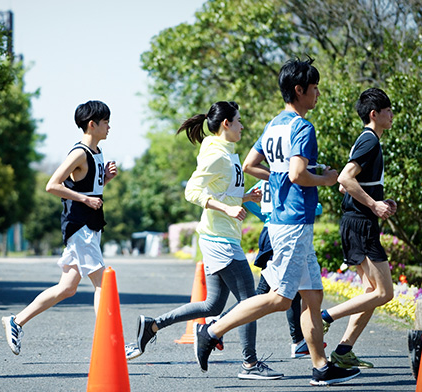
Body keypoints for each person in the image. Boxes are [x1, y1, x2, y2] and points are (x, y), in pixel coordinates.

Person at [194, 57, 361, 386]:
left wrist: (279, 178)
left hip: (285, 221)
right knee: (280, 299)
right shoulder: (302, 127)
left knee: (313, 296)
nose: (317, 94)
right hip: (294, 221)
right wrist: (326, 178)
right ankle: (211, 330)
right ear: (299, 90)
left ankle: (321, 367)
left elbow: (251, 163)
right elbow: (299, 174)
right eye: (314, 89)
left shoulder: (274, 125)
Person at [126, 101, 283, 380]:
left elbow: (221, 191)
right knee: (251, 300)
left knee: (212, 306)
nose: (242, 126)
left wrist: (245, 198)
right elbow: (192, 191)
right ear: (226, 124)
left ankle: (152, 326)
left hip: (221, 236)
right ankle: (249, 363)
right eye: (238, 121)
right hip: (219, 239)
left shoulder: (228, 153)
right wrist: (228, 209)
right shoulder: (216, 155)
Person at [2, 100, 117, 355]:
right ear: (92, 124)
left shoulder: (97, 153)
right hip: (80, 226)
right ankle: (107, 343)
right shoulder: (78, 152)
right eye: (106, 121)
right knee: (102, 283)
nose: (109, 126)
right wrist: (85, 199)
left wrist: (105, 179)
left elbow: (87, 188)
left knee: (67, 288)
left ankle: (16, 321)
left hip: (91, 225)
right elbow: (52, 185)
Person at [320, 88, 396, 369]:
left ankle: (343, 351)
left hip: (356, 222)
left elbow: (345, 186)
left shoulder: (366, 141)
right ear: (374, 115)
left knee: (369, 291)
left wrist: (379, 200)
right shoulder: (370, 142)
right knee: (384, 293)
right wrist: (374, 206)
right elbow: (344, 178)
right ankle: (325, 317)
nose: (392, 115)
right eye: (388, 110)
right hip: (361, 224)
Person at [248, 180, 324, 358]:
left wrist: (264, 216)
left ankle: (298, 342)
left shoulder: (263, 180)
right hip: (284, 233)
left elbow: (249, 199)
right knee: (267, 291)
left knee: (291, 291)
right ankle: (217, 326)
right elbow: (313, 208)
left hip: (270, 231)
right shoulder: (289, 177)